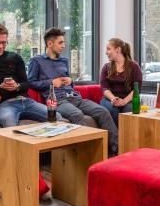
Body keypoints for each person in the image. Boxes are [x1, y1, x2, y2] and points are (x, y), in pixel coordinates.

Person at [27, 27, 118, 155]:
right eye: (60, 42)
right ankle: (85, 155)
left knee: (103, 111)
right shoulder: (36, 61)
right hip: (57, 100)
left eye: (63, 42)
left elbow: (69, 82)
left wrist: (70, 80)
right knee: (77, 115)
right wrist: (51, 82)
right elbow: (30, 82)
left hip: (75, 97)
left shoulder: (64, 61)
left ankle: (116, 150)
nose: (63, 46)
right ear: (49, 43)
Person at [0, 23, 61, 127]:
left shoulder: (15, 57)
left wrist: (17, 86)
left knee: (58, 117)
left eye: (4, 43)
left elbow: (26, 84)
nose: (0, 46)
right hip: (2, 105)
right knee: (9, 124)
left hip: (26, 101)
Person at [99, 38, 143, 126]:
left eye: (108, 49)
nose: (106, 52)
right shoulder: (106, 67)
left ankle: (127, 137)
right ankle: (117, 138)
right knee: (113, 109)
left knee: (129, 109)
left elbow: (137, 89)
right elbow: (104, 88)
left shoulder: (134, 66)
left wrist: (124, 101)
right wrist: (113, 99)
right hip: (109, 100)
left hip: (128, 100)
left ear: (118, 50)